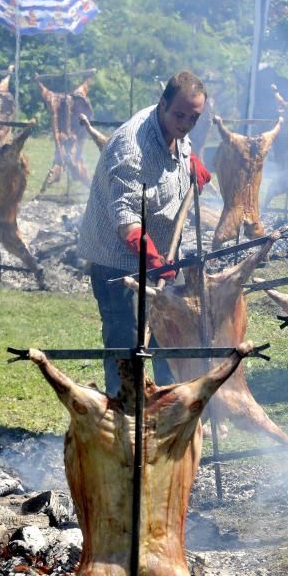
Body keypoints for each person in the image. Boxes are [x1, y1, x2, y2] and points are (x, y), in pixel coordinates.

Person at [78, 70, 211, 396]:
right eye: (179, 115)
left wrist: (192, 164)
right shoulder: (131, 148)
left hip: (162, 257)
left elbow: (180, 153)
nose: (185, 123)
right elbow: (127, 224)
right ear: (162, 103)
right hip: (120, 263)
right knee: (127, 347)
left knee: (170, 337)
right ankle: (124, 419)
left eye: (193, 117)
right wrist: (153, 261)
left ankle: (167, 410)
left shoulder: (179, 131)